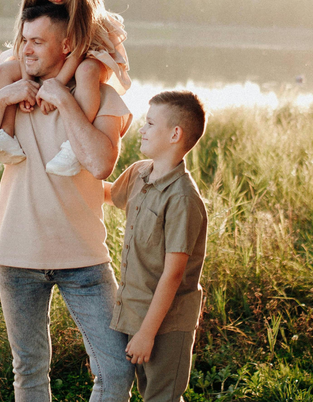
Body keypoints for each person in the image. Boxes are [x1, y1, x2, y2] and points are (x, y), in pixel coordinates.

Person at [0, 4, 135, 402]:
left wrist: (63, 100)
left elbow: (98, 163)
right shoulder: (13, 95)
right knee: (29, 371)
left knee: (116, 368)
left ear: (67, 45)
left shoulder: (101, 95)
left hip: (84, 257)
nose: (25, 50)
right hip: (16, 255)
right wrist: (4, 97)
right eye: (24, 40)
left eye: (37, 42)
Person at [0, 0, 131, 176]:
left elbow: (79, 50)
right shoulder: (36, 1)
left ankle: (72, 146)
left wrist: (56, 84)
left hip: (91, 53)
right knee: (4, 71)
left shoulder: (85, 3)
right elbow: (23, 46)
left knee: (86, 71)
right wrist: (28, 84)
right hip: (59, 51)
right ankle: (6, 135)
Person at [105, 91, 208, 402]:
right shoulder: (139, 172)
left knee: (162, 397)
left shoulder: (182, 198)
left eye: (150, 123)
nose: (142, 129)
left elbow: (173, 275)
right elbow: (107, 194)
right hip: (134, 313)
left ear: (175, 134)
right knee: (146, 393)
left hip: (166, 325)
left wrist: (147, 334)